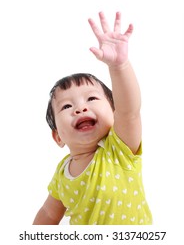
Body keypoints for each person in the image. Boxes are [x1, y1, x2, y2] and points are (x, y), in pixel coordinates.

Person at [33, 11, 152, 225]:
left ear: (114, 115)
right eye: (67, 106)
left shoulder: (119, 150)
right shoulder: (62, 173)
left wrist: (119, 66)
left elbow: (130, 111)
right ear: (58, 137)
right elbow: (49, 214)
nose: (80, 109)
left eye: (91, 98)